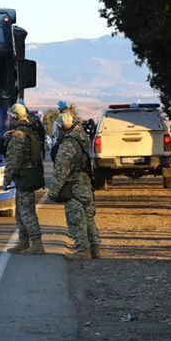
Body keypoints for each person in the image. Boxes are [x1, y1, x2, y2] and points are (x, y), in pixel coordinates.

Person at [49, 111, 102, 261]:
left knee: (76, 218)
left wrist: (53, 192)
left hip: (73, 185)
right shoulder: (81, 137)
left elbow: (61, 171)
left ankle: (82, 251)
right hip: (85, 183)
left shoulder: (67, 144)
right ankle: (95, 248)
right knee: (88, 217)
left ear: (60, 128)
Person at [2, 103, 45, 254]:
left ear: (14, 117)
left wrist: (5, 181)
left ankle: (36, 244)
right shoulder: (30, 130)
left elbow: (13, 161)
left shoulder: (18, 135)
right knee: (21, 211)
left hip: (24, 177)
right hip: (28, 175)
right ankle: (24, 241)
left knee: (26, 212)